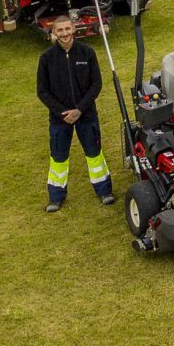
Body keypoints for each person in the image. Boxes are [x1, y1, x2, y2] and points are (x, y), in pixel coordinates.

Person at [36, 17, 114, 212]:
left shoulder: (87, 53)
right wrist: (63, 113)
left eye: (67, 29)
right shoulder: (46, 59)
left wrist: (80, 109)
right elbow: (42, 91)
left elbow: (96, 84)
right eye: (59, 30)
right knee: (58, 159)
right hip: (59, 120)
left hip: (86, 116)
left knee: (94, 154)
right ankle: (56, 198)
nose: (64, 34)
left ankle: (104, 191)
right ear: (53, 33)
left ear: (74, 29)